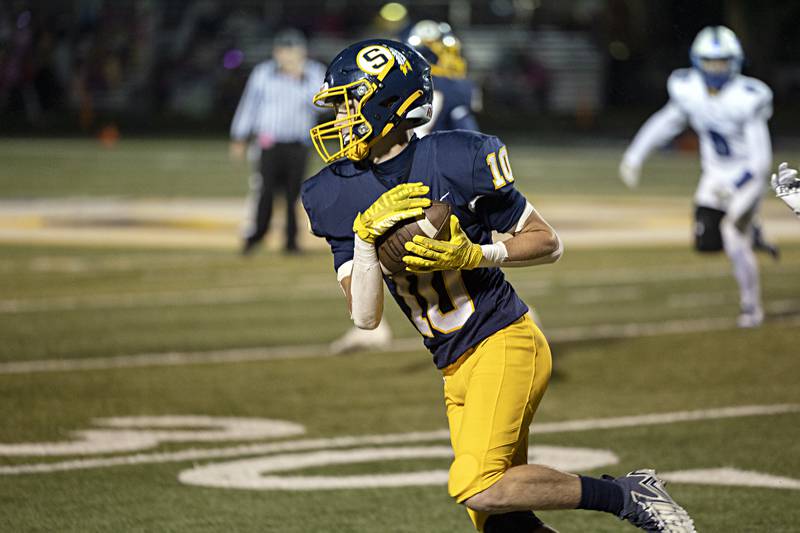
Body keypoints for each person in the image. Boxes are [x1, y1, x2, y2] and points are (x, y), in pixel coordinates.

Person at [302, 39, 695, 533]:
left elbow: (547, 241)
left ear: (387, 102)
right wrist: (363, 241)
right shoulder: (333, 191)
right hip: (451, 364)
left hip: (504, 339)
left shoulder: (455, 157)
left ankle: (625, 493)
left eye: (347, 101)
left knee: (479, 486)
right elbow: (365, 317)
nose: (337, 114)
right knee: (497, 519)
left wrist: (477, 253)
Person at [328, 20, 482, 354]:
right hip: (435, 179)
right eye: (443, 52)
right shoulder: (452, 87)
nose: (452, 59)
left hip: (403, 177)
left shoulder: (403, 85)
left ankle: (375, 325)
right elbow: (469, 135)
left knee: (377, 247)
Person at [619, 25, 777, 328]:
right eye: (709, 62)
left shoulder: (748, 96)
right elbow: (666, 122)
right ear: (696, 61)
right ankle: (752, 230)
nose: (715, 69)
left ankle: (751, 307)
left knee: (733, 237)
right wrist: (635, 155)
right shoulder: (688, 88)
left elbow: (761, 162)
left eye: (722, 62)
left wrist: (734, 188)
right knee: (706, 242)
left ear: (736, 62)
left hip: (746, 177)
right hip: (714, 174)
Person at [230, 28, 326, 255]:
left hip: (298, 142)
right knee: (265, 191)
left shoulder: (313, 73)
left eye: (292, 50)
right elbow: (249, 105)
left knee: (294, 194)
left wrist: (299, 78)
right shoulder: (263, 73)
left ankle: (291, 241)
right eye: (284, 50)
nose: (288, 56)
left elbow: (321, 104)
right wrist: (239, 136)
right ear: (276, 52)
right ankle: (256, 235)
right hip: (269, 142)